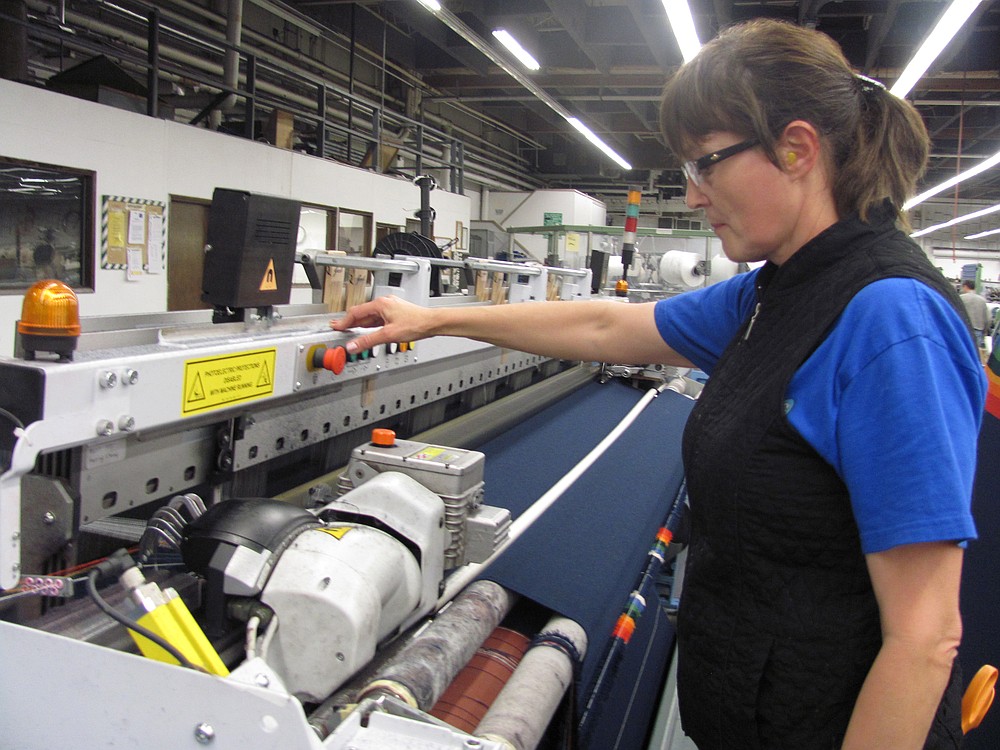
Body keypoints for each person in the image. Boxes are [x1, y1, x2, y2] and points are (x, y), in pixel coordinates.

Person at [332, 19, 986, 750]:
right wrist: (434, 318)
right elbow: (608, 329)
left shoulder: (889, 320)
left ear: (797, 148)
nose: (693, 193)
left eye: (706, 163)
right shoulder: (772, 292)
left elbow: (925, 638)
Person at [959, 279, 990, 354]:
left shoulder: (960, 298)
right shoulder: (982, 301)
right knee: (975, 354)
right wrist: (985, 331)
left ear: (965, 287)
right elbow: (988, 319)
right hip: (978, 331)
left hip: (963, 329)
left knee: (962, 352)